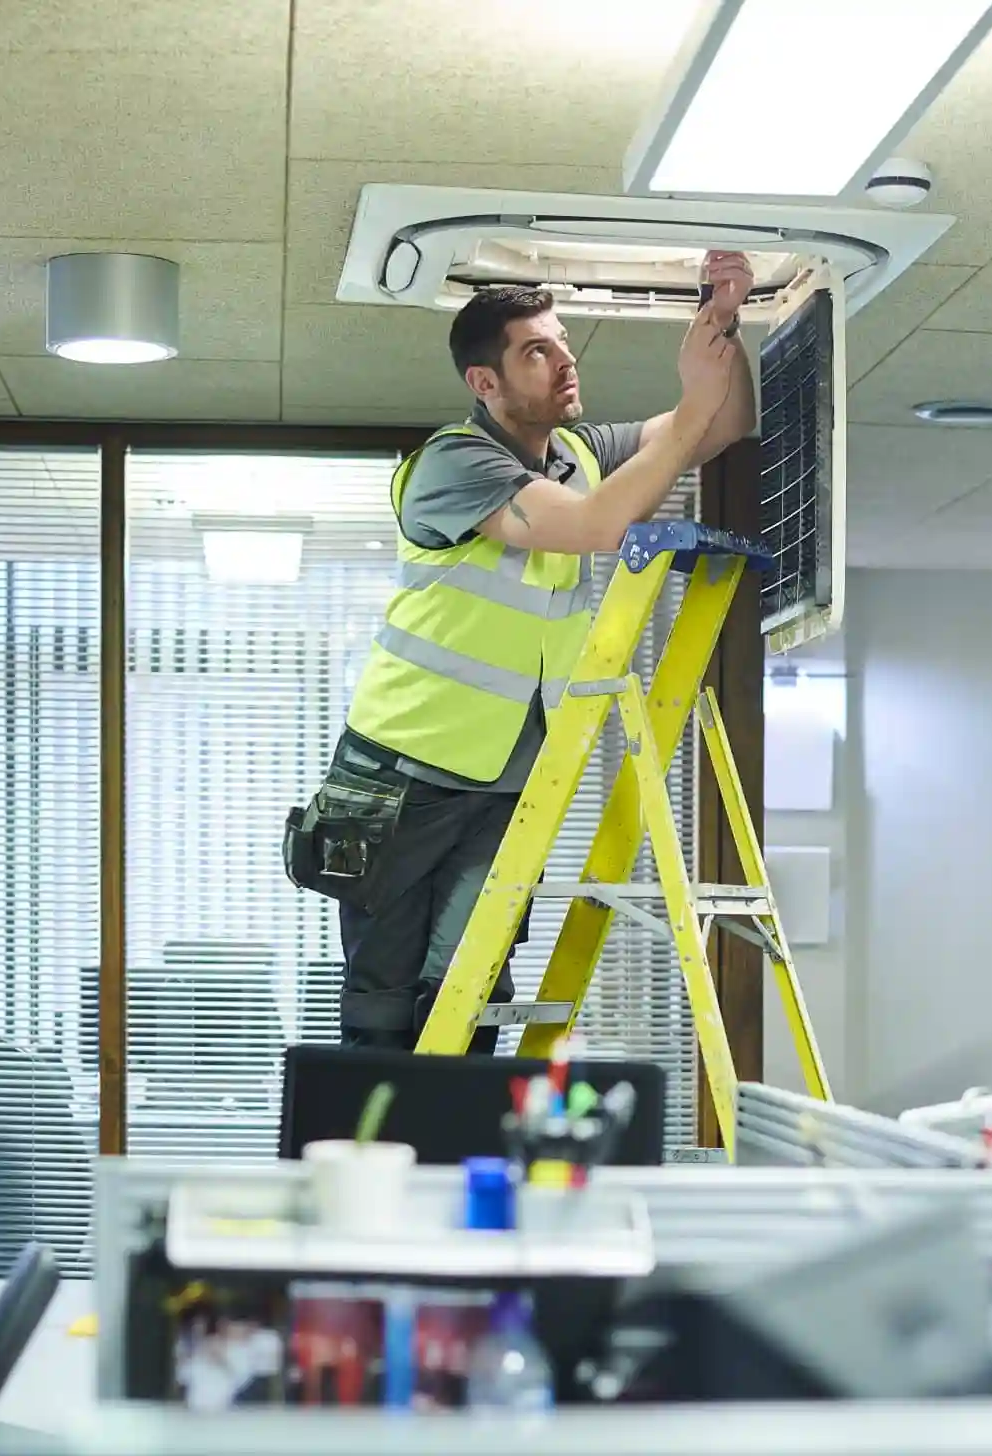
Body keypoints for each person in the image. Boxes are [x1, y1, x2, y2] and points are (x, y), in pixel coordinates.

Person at [295, 252, 759, 1052]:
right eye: (536, 350)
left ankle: (455, 1162)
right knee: (387, 992)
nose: (564, 358)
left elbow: (722, 425)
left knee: (472, 986)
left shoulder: (578, 457)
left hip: (510, 777)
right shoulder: (452, 463)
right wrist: (688, 408)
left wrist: (719, 324)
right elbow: (594, 527)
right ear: (486, 383)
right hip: (404, 770)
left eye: (563, 341)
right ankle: (365, 1162)